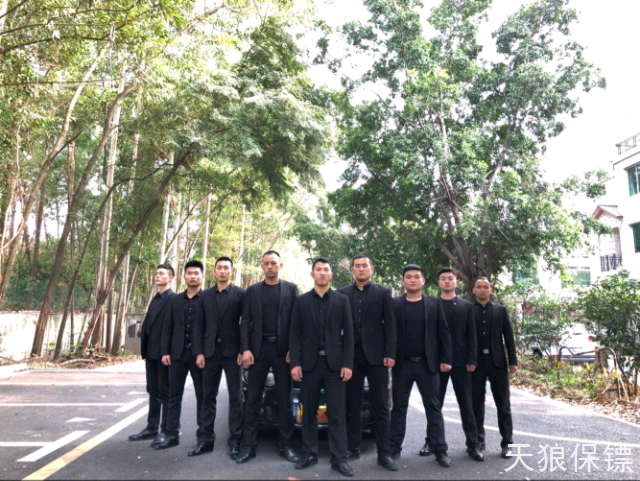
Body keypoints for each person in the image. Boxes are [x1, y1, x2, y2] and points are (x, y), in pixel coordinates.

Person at [290, 258, 355, 477]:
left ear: (331, 274)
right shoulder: (301, 301)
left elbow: (349, 336)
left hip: (335, 365)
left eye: (326, 269)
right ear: (312, 274)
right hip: (309, 365)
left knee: (337, 413)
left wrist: (347, 364)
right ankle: (309, 454)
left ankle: (339, 459)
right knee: (308, 412)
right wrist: (295, 363)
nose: (322, 273)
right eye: (318, 270)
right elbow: (294, 335)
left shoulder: (342, 301)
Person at [236, 251, 300, 464]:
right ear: (262, 266)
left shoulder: (291, 289)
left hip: (282, 352)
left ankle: (286, 445)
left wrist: (294, 349)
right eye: (266, 263)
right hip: (258, 351)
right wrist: (245, 349)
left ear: (280, 265)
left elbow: (296, 322)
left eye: (274, 263)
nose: (270, 266)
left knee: (284, 399)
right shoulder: (253, 291)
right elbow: (245, 322)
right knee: (252, 399)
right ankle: (248, 445)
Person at [337, 254, 397, 471]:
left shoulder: (383, 293)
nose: (361, 269)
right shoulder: (342, 294)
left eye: (365, 266)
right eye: (357, 266)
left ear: (371, 269)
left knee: (380, 405)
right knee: (352, 404)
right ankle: (353, 448)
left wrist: (390, 352)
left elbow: (390, 325)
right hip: (351, 357)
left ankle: (384, 453)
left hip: (377, 357)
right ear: (352, 269)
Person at [389, 264, 453, 468]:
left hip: (428, 365)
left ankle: (440, 450)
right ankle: (393, 448)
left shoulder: (434, 304)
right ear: (403, 281)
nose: (413, 280)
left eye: (417, 276)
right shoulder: (395, 305)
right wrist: (389, 356)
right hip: (403, 365)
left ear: (423, 281)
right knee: (398, 407)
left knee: (433, 408)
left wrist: (446, 359)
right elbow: (389, 333)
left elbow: (444, 333)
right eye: (408, 277)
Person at [421, 268, 483, 461]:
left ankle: (473, 445)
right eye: (443, 278)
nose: (447, 281)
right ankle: (430, 442)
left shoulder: (466, 306)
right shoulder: (430, 305)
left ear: (456, 282)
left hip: (461, 363)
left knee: (467, 405)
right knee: (434, 405)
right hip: (436, 363)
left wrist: (472, 359)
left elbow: (472, 335)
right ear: (438, 282)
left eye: (450, 278)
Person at [191, 257, 246, 458]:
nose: (222, 271)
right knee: (207, 397)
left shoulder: (241, 294)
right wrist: (198, 352)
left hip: (233, 353)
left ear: (231, 271)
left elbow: (245, 324)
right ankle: (205, 441)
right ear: (214, 272)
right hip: (210, 353)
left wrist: (243, 349)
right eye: (219, 268)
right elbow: (199, 325)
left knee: (236, 398)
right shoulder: (204, 295)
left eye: (226, 268)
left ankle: (235, 441)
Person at [156, 260, 205, 450]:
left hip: (199, 356)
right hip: (177, 354)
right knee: (173, 396)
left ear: (201, 276)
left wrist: (203, 352)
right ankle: (171, 435)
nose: (192, 276)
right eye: (189, 273)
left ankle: (203, 436)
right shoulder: (174, 300)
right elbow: (167, 327)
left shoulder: (208, 299)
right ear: (184, 276)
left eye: (196, 273)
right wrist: (165, 351)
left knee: (202, 397)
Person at [471, 277, 518, 459]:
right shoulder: (469, 311)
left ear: (491, 290)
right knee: (476, 404)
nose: (482, 290)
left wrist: (513, 361)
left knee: (503, 405)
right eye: (479, 287)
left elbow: (509, 337)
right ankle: (478, 441)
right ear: (474, 290)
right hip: (475, 364)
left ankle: (507, 443)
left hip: (497, 362)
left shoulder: (500, 311)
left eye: (486, 287)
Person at [129, 264, 175, 447]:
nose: (157, 276)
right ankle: (151, 427)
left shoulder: (173, 299)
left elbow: (171, 329)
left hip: (164, 355)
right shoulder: (155, 298)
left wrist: (167, 352)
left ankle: (165, 431)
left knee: (165, 393)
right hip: (151, 354)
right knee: (153, 391)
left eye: (162, 274)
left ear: (170, 278)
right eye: (156, 273)